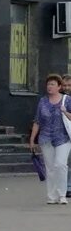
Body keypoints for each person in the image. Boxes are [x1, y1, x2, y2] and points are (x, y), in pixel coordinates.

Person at [27, 74, 71, 205]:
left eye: (52, 84)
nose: (49, 87)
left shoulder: (67, 100)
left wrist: (65, 112)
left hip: (63, 137)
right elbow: (37, 121)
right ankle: (52, 196)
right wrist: (32, 139)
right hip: (46, 138)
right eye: (48, 84)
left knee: (60, 164)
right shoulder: (43, 101)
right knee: (50, 167)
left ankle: (62, 194)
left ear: (59, 87)